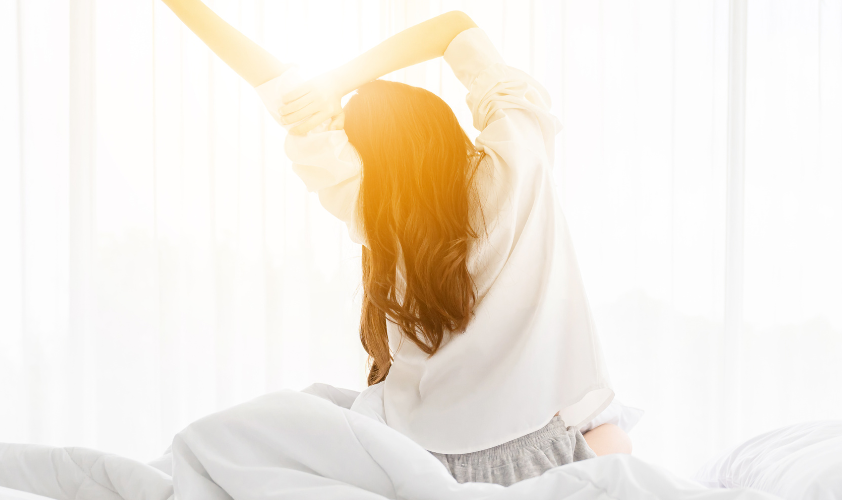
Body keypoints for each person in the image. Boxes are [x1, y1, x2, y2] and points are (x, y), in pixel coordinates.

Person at [160, 1, 632, 486]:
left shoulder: (374, 208)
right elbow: (455, 29)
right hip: (536, 454)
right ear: (441, 124)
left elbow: (278, 90)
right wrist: (338, 81)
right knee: (616, 435)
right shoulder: (521, 158)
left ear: (369, 160)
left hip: (411, 461)